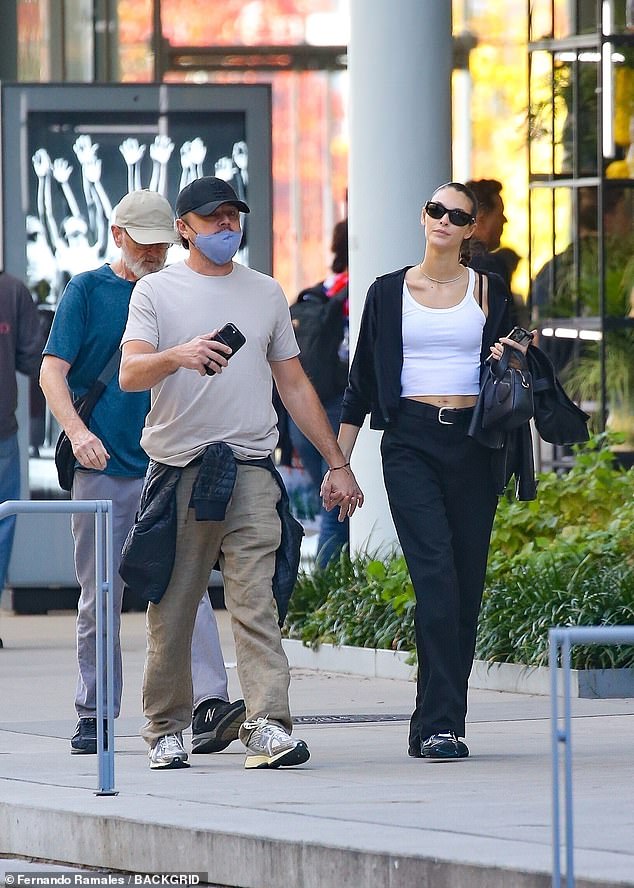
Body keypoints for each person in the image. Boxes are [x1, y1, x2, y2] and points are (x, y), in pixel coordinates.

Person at [119, 175, 363, 771]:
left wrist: (337, 462)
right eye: (213, 219)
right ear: (184, 228)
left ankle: (267, 723)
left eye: (233, 216)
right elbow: (130, 373)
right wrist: (178, 355)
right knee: (174, 606)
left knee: (258, 602)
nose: (227, 227)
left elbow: (296, 383)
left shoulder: (265, 293)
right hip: (182, 467)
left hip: (252, 465)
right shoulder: (156, 293)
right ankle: (166, 727)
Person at [40, 189, 244, 755]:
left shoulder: (178, 289)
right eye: (146, 243)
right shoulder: (88, 291)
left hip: (171, 461)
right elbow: (52, 372)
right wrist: (79, 435)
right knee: (100, 593)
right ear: (119, 235)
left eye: (162, 243)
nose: (156, 253)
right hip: (103, 464)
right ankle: (96, 712)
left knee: (190, 587)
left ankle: (209, 703)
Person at [332, 182, 532, 760]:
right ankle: (438, 721)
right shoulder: (388, 291)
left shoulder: (490, 290)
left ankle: (440, 721)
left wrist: (512, 353)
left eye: (458, 215)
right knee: (436, 581)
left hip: (475, 444)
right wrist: (340, 465)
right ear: (424, 219)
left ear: (472, 229)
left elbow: (517, 361)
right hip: (411, 443)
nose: (444, 219)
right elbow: (361, 385)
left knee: (465, 586)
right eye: (436, 209)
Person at [288, 219, 350, 567]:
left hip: (302, 412)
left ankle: (326, 594)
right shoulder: (354, 292)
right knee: (337, 508)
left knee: (328, 500)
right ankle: (329, 591)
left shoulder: (319, 290)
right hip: (336, 408)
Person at [0, 270, 43, 647]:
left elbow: (35, 358)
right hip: (3, 428)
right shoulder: (11, 290)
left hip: (3, 433)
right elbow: (34, 357)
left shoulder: (12, 290)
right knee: (2, 527)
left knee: (3, 528)